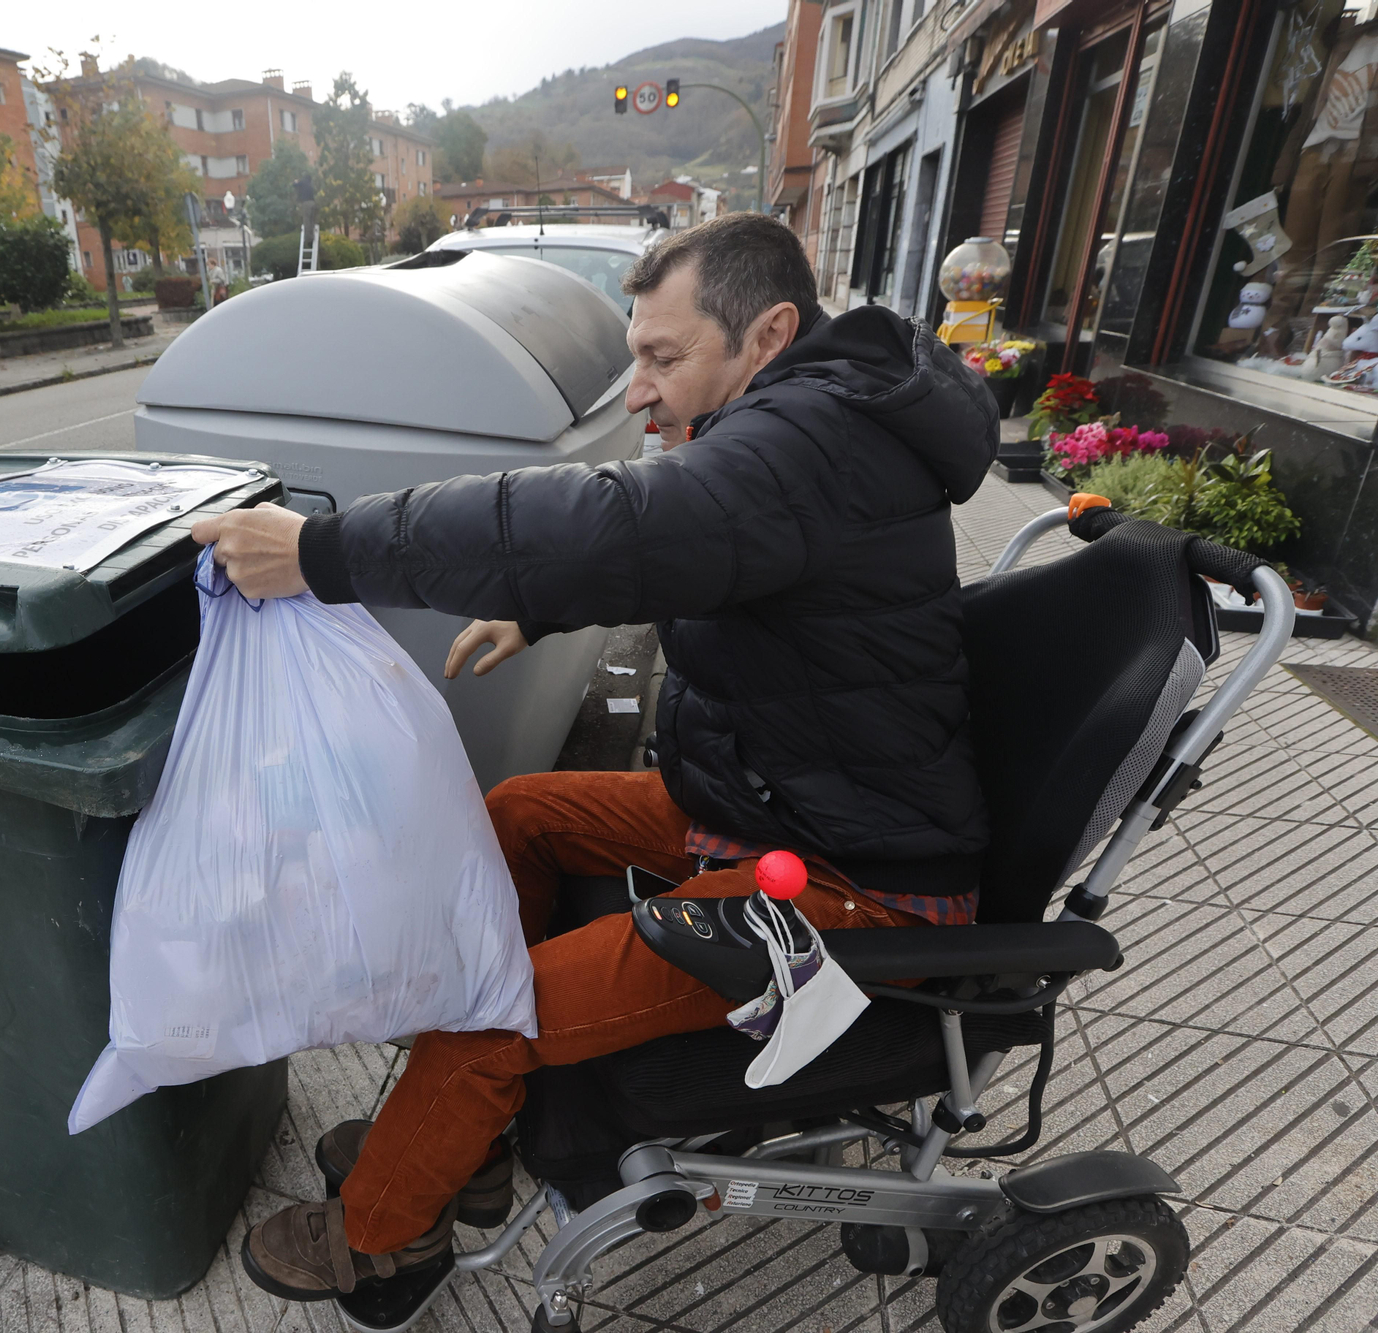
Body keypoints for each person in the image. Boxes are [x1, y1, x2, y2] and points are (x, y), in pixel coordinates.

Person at [189, 213, 1000, 1300]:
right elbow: (697, 552)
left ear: (767, 332)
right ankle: (465, 1140)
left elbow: (625, 525)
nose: (636, 392)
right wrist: (535, 605)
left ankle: (384, 1232)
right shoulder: (816, 423)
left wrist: (320, 551)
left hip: (853, 881)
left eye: (662, 358)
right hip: (778, 805)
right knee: (523, 810)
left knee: (497, 1006)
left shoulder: (808, 441)